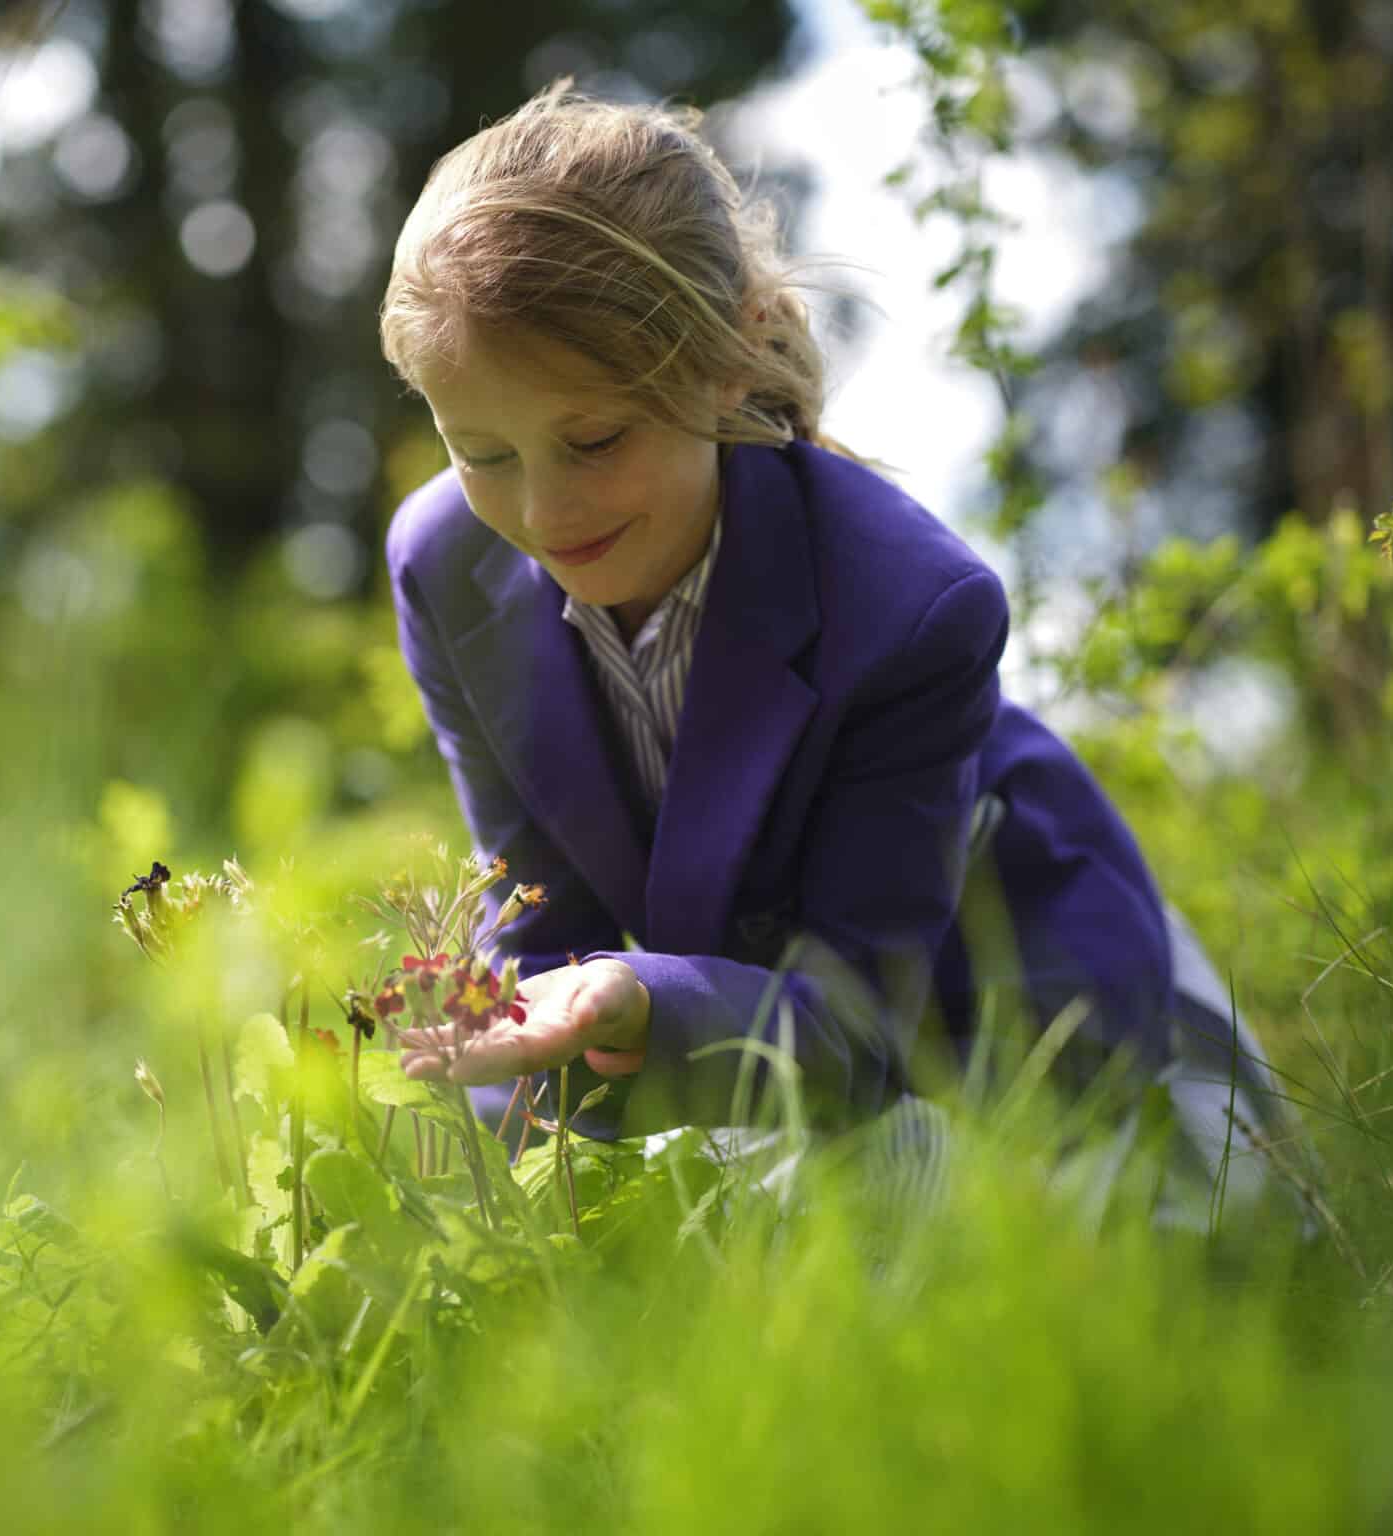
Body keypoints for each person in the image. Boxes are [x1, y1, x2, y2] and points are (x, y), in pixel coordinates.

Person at [379, 80, 1297, 1214]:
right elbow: (534, 919)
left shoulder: (912, 605)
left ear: (723, 362)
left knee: (1160, 1275)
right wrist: (531, 1109)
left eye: (594, 437)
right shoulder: (444, 566)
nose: (543, 509)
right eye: (481, 451)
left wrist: (643, 1004)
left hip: (1014, 1009)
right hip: (765, 1037)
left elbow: (860, 1018)